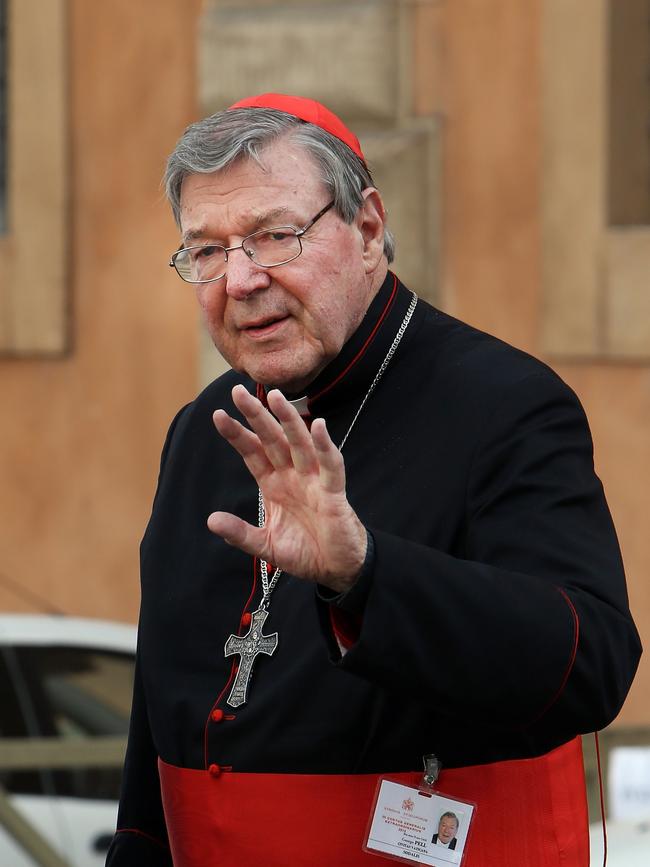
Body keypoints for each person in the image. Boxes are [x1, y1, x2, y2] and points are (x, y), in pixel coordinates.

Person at [106, 93, 641, 867]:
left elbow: (592, 661)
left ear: (366, 229)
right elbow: (158, 736)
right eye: (207, 251)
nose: (241, 279)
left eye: (273, 236)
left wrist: (365, 574)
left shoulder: (503, 405)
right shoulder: (202, 431)